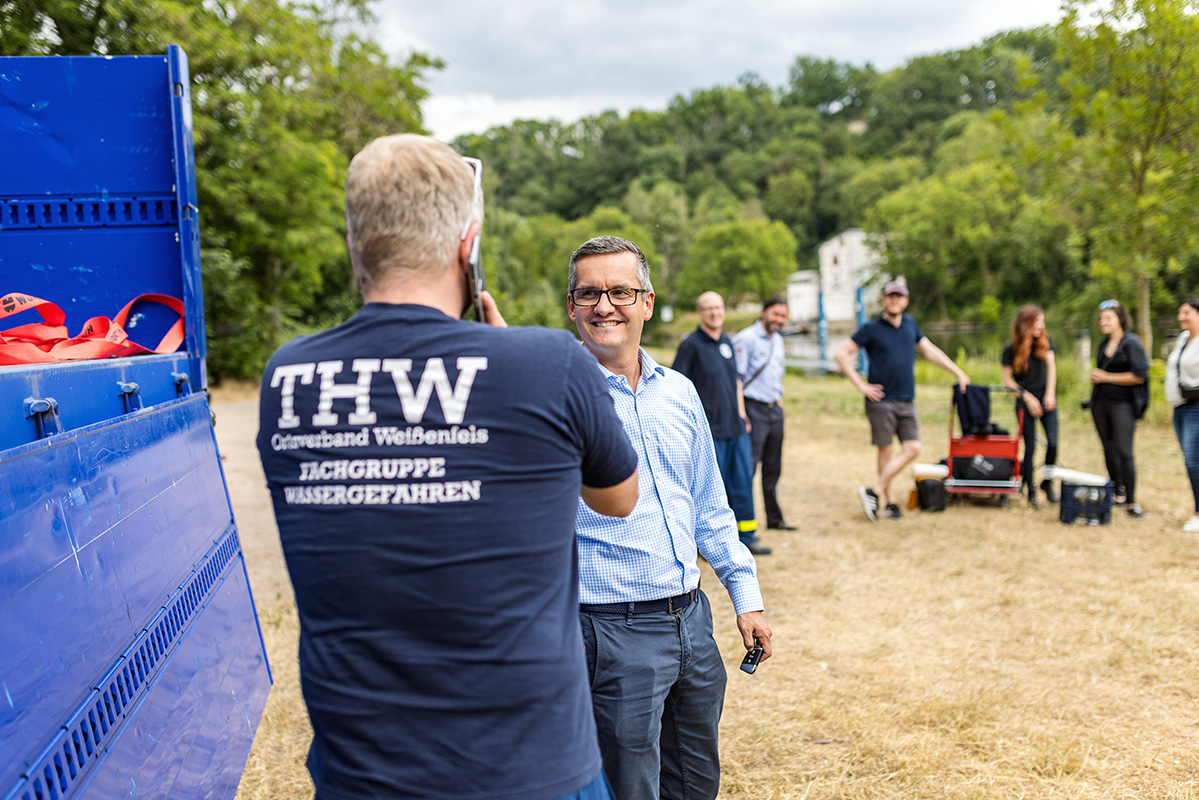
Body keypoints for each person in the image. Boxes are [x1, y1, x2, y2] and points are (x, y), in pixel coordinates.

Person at [257, 135, 640, 800]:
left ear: (355, 245)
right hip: (533, 771)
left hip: (363, 774)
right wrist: (511, 368)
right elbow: (618, 499)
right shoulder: (550, 363)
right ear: (470, 246)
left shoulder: (287, 374)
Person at [566, 235, 772, 800]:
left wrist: (745, 595)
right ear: (571, 306)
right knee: (629, 788)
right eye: (588, 293)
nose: (604, 306)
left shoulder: (679, 392)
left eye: (620, 292)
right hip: (609, 631)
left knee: (696, 783)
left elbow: (708, 504)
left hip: (691, 622)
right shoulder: (557, 396)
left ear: (647, 302)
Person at [833, 280, 970, 522]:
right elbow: (841, 354)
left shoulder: (910, 325)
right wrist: (861, 385)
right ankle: (890, 503)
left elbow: (930, 351)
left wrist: (958, 372)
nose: (895, 300)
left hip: (907, 400)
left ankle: (874, 490)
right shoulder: (872, 328)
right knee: (885, 450)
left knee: (913, 448)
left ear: (905, 300)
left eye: (899, 296)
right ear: (884, 299)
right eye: (891, 296)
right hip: (881, 401)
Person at [673, 291, 769, 555]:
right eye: (709, 308)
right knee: (711, 491)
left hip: (735, 428)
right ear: (700, 313)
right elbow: (677, 387)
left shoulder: (727, 343)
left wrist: (742, 415)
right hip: (709, 432)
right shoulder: (690, 346)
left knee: (742, 484)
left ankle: (746, 538)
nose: (715, 313)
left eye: (718, 307)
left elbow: (736, 381)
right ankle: (706, 546)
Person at [731, 296, 796, 531]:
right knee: (749, 468)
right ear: (764, 312)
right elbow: (736, 379)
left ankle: (774, 519)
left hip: (774, 410)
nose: (779, 319)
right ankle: (742, 522)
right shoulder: (745, 339)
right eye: (776, 314)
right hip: (753, 409)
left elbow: (775, 375)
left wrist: (778, 403)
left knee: (773, 467)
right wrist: (742, 413)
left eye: (783, 316)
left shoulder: (778, 340)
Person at [1090, 299, 1149, 517]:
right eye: (1101, 319)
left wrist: (1107, 377)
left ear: (1120, 319)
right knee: (1108, 449)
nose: (1103, 322)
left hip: (1123, 404)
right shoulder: (1103, 344)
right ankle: (1117, 491)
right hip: (1100, 403)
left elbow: (1140, 376)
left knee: (1124, 450)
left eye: (1108, 318)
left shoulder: (1132, 343)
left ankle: (1131, 501)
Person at [1001, 306, 1059, 509]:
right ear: (1025, 324)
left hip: (1047, 399)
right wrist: (1027, 398)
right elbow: (1007, 380)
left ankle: (1047, 482)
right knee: (1030, 447)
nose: (1041, 325)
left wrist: (1050, 394)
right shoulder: (1010, 349)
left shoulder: (1045, 342)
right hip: (1024, 402)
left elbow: (1052, 368)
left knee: (1053, 443)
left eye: (1042, 321)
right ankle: (1030, 490)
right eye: (1037, 322)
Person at [1167, 298, 1199, 532]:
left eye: (1186, 313)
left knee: (1193, 461)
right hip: (1179, 407)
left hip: (1195, 408)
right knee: (1191, 461)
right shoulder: (1182, 339)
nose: (1181, 317)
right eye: (1180, 313)